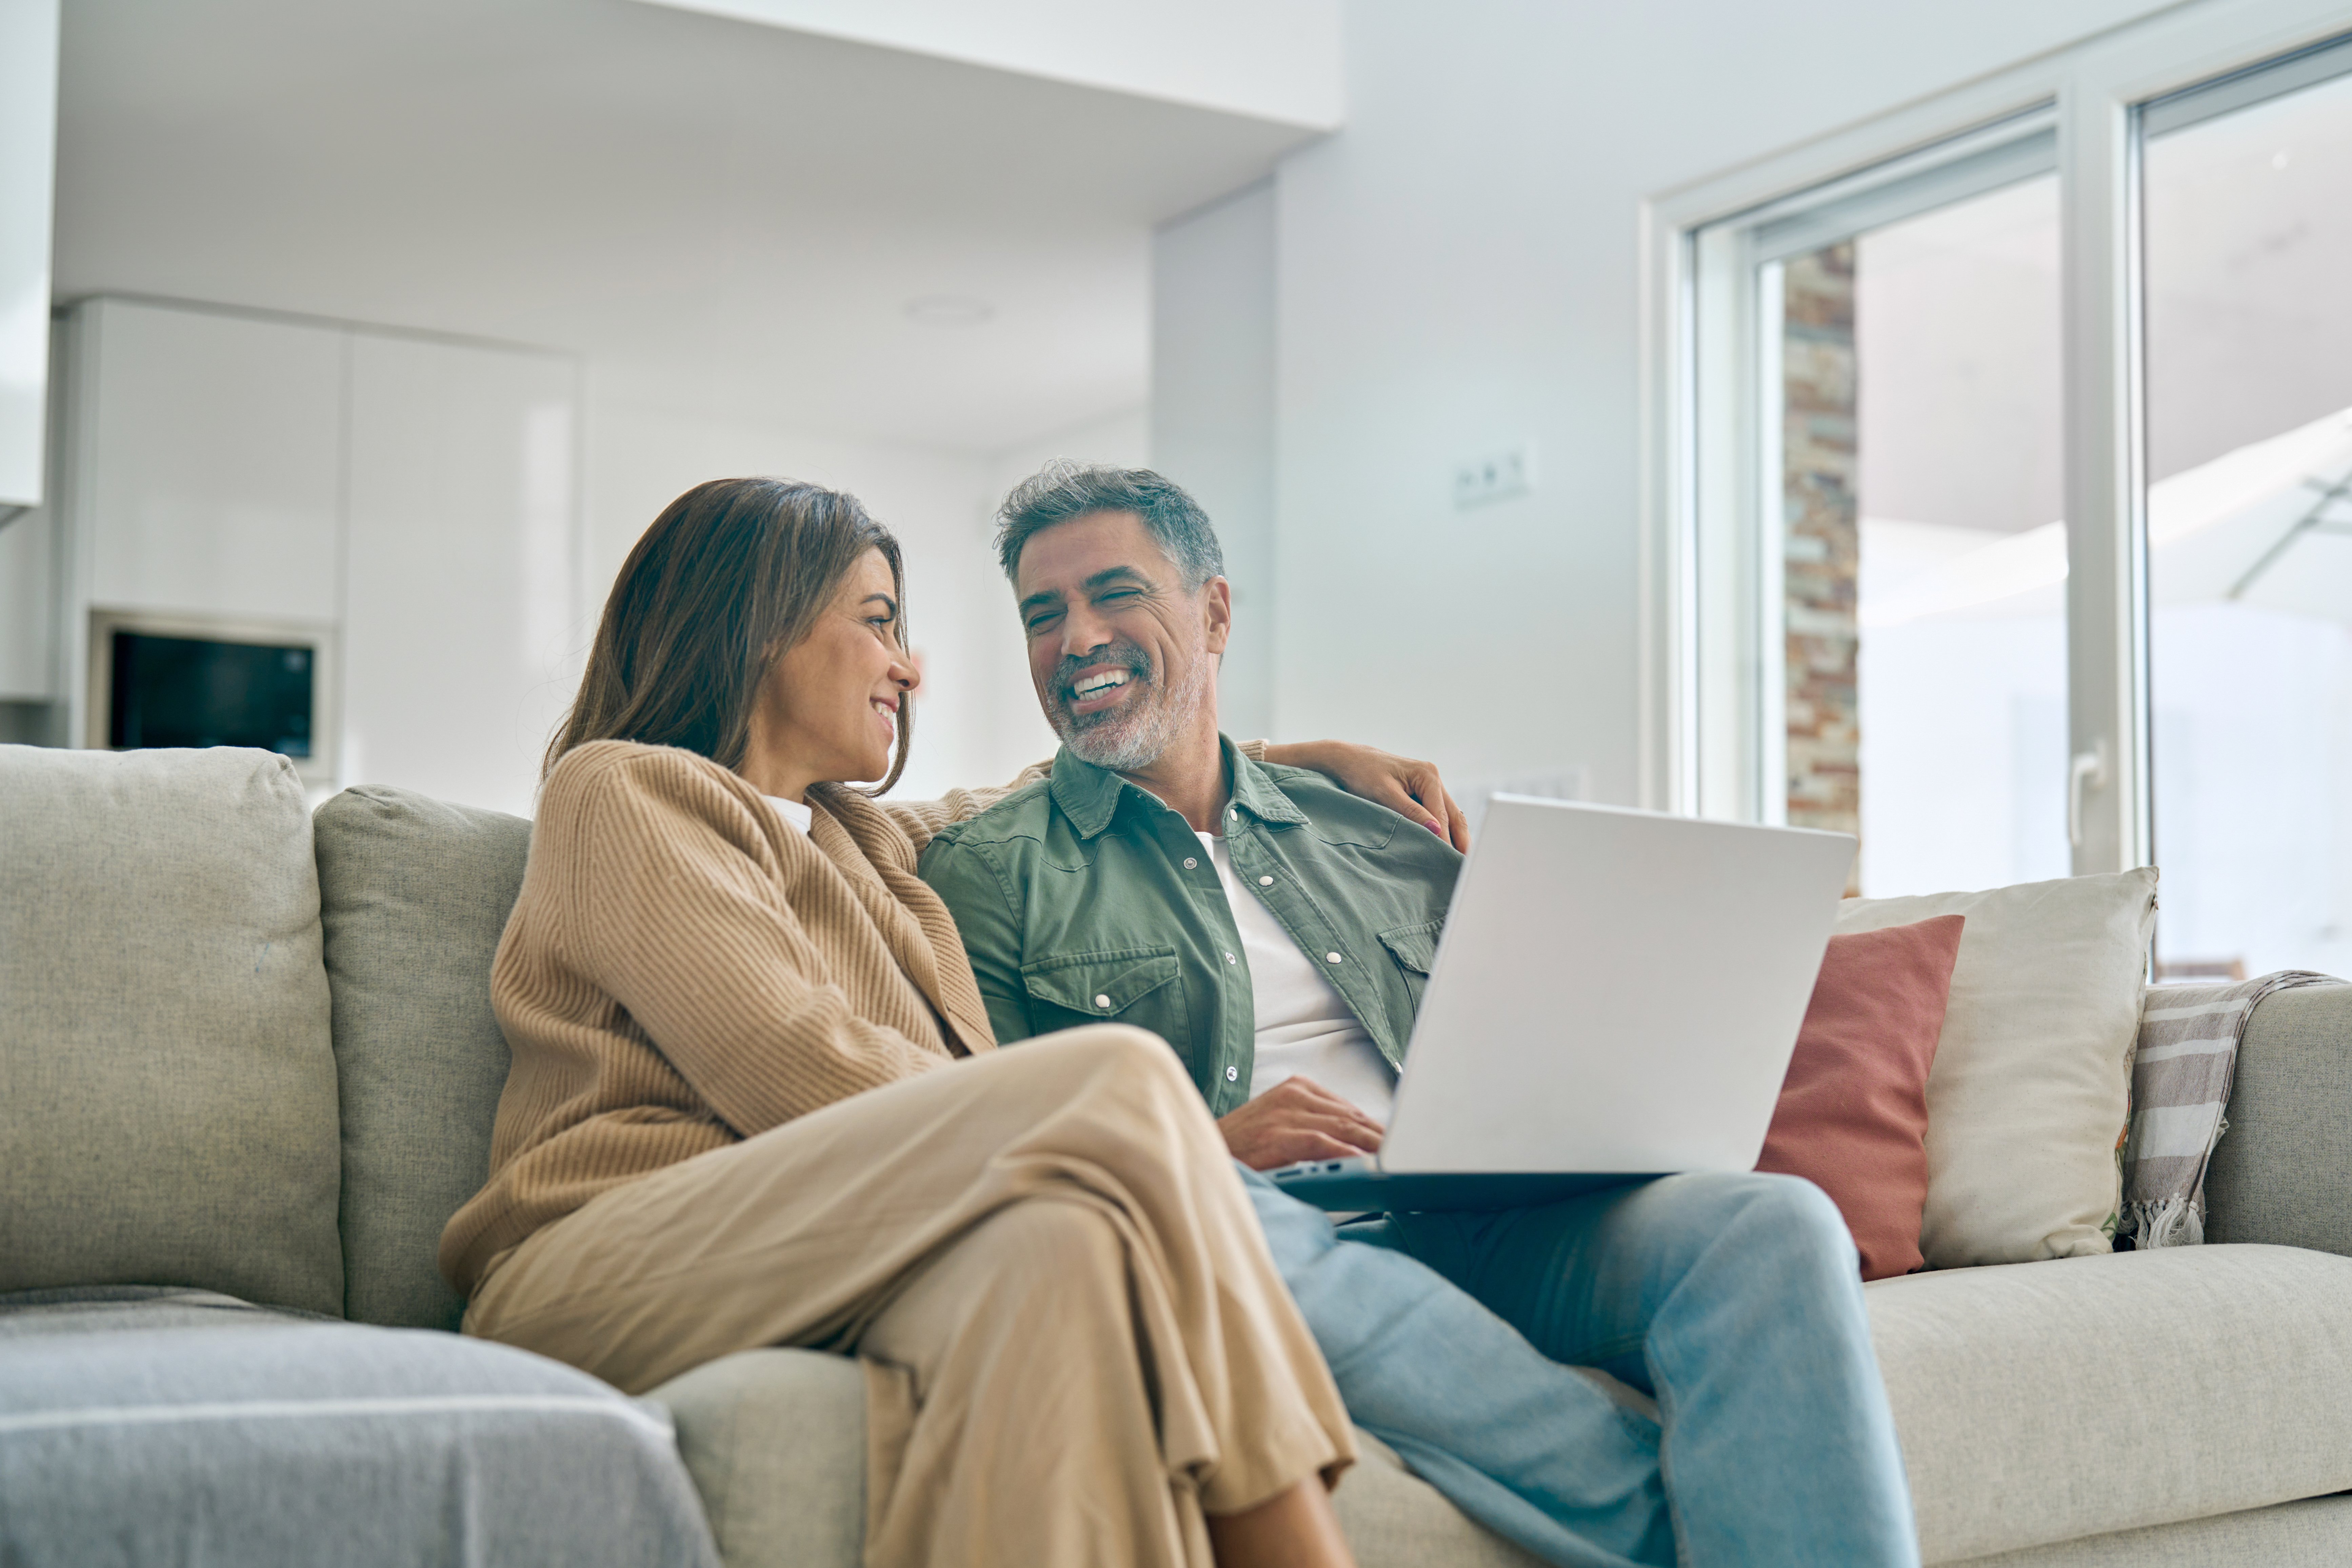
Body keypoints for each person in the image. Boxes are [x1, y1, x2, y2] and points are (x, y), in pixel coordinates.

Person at [437, 476, 1469, 1568]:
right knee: (1119, 1080)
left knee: (1062, 1248)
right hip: (611, 1251)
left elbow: (1085, 775)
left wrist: (1300, 763)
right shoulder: (625, 792)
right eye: (877, 623)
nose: (910, 665)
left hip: (836, 1239)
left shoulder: (864, 843)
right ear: (757, 626)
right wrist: (1159, 1146)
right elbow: (793, 1064)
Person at [917, 462, 1925, 1568]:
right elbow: (1009, 1146)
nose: (1077, 638)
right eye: (1042, 614)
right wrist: (1204, 1154)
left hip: (1479, 1215)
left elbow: (1519, 1024)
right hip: (1255, 1227)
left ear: (1213, 611)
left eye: (1116, 594)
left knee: (1769, 1223)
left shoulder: (1373, 825)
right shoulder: (987, 872)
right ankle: (1705, 1520)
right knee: (1210, 1225)